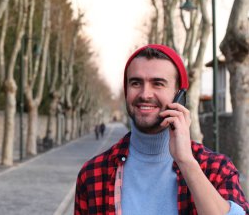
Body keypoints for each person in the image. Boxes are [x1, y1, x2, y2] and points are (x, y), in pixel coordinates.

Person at [74, 44, 249, 215]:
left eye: (158, 83)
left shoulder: (216, 169)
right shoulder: (93, 174)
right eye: (136, 83)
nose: (145, 94)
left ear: (179, 96)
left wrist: (186, 162)